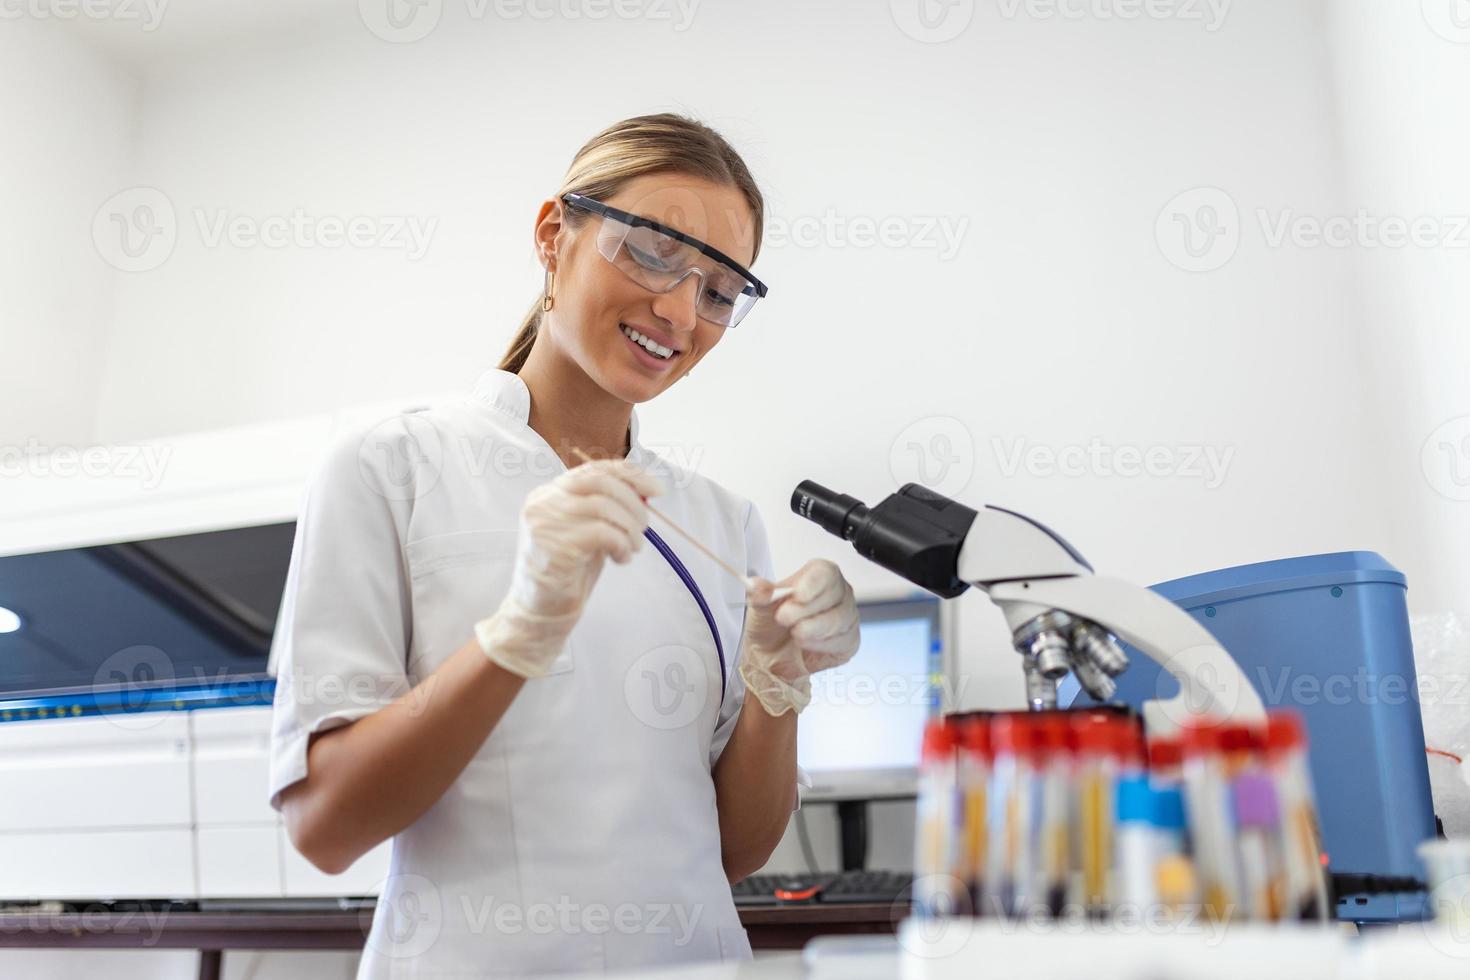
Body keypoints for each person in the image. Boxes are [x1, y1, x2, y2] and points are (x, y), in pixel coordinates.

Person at [267, 112, 862, 977]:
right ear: (555, 234)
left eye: (718, 290)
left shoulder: (720, 522)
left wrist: (779, 688)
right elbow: (326, 828)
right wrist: (519, 635)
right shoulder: (391, 469)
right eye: (653, 251)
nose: (679, 310)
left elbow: (734, 853)